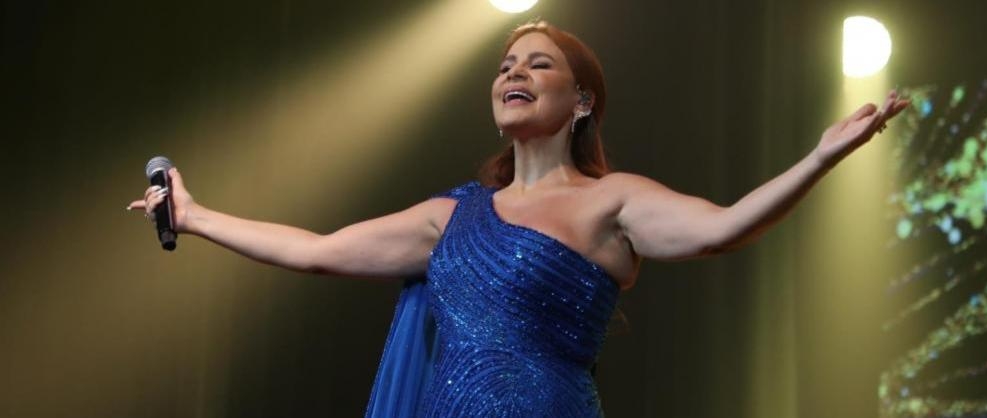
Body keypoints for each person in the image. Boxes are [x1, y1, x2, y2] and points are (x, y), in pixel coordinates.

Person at [128, 21, 908, 418]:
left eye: (539, 63)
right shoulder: (450, 218)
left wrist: (819, 158)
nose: (514, 72)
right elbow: (316, 250)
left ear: (582, 100)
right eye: (506, 65)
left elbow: (723, 228)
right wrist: (194, 216)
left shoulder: (611, 201)